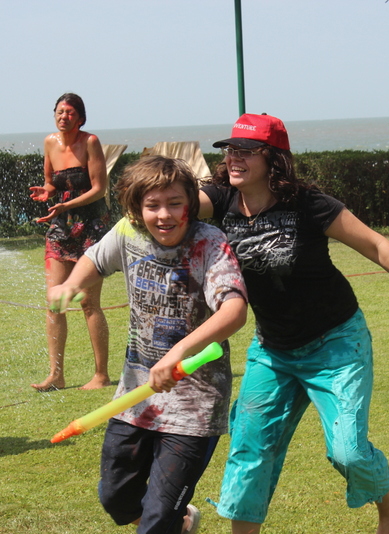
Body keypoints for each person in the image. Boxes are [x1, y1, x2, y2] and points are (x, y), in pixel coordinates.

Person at [198, 113, 389, 534]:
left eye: (246, 151)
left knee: (348, 452)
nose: (234, 158)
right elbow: (173, 203)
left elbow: (376, 245)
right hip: (273, 349)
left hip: (335, 344)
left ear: (273, 158)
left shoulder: (308, 204)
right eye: (230, 150)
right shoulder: (222, 197)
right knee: (249, 447)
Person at [47, 155, 248, 534]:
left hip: (194, 405)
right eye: (153, 205)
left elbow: (235, 311)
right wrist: (70, 285)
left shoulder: (209, 242)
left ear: (191, 203)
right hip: (135, 398)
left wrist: (179, 353)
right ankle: (182, 523)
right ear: (137, 208)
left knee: (156, 519)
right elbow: (94, 259)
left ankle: (168, 521)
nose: (164, 215)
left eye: (175, 203)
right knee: (115, 497)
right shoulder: (128, 232)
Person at [29, 93, 111, 391]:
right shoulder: (50, 142)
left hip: (90, 227)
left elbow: (100, 188)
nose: (64, 117)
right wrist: (47, 192)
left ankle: (101, 375)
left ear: (80, 118)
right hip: (60, 226)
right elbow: (52, 182)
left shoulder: (90, 142)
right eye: (60, 112)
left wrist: (67, 204)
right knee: (55, 302)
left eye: (70, 113)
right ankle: (56, 375)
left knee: (88, 303)